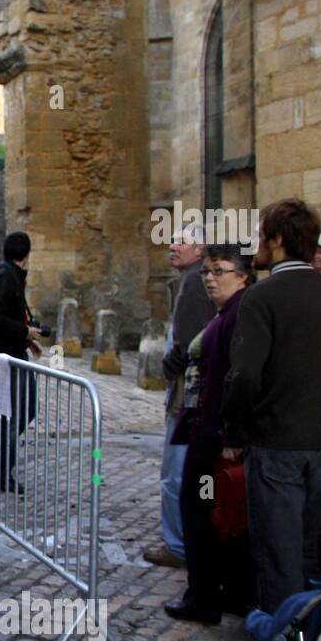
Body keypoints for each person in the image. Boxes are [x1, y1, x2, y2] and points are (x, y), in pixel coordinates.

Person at [222, 198, 321, 613]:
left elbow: (244, 375)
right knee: (306, 546)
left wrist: (236, 429)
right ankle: (306, 639)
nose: (256, 244)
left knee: (279, 551)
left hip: (276, 441)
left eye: (261, 236)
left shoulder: (263, 298)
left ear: (277, 240)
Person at [164, 246, 257, 625]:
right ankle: (231, 592)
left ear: (243, 276)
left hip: (216, 441)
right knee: (221, 516)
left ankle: (205, 596)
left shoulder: (239, 316)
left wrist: (232, 435)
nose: (210, 278)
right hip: (209, 433)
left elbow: (239, 378)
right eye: (206, 272)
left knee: (203, 513)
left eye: (220, 271)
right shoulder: (227, 314)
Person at [145, 226, 216, 569]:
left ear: (200, 250)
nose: (173, 247)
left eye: (183, 242)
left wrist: (168, 368)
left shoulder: (192, 282)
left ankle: (178, 544)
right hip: (197, 395)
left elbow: (189, 342)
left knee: (176, 473)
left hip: (188, 397)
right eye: (173, 240)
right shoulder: (196, 280)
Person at [0, 231, 42, 494]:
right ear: (26, 255)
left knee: (25, 409)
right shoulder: (5, 276)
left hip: (12, 352)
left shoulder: (10, 274)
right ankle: (1, 469)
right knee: (13, 412)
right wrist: (25, 332)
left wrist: (28, 334)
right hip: (4, 356)